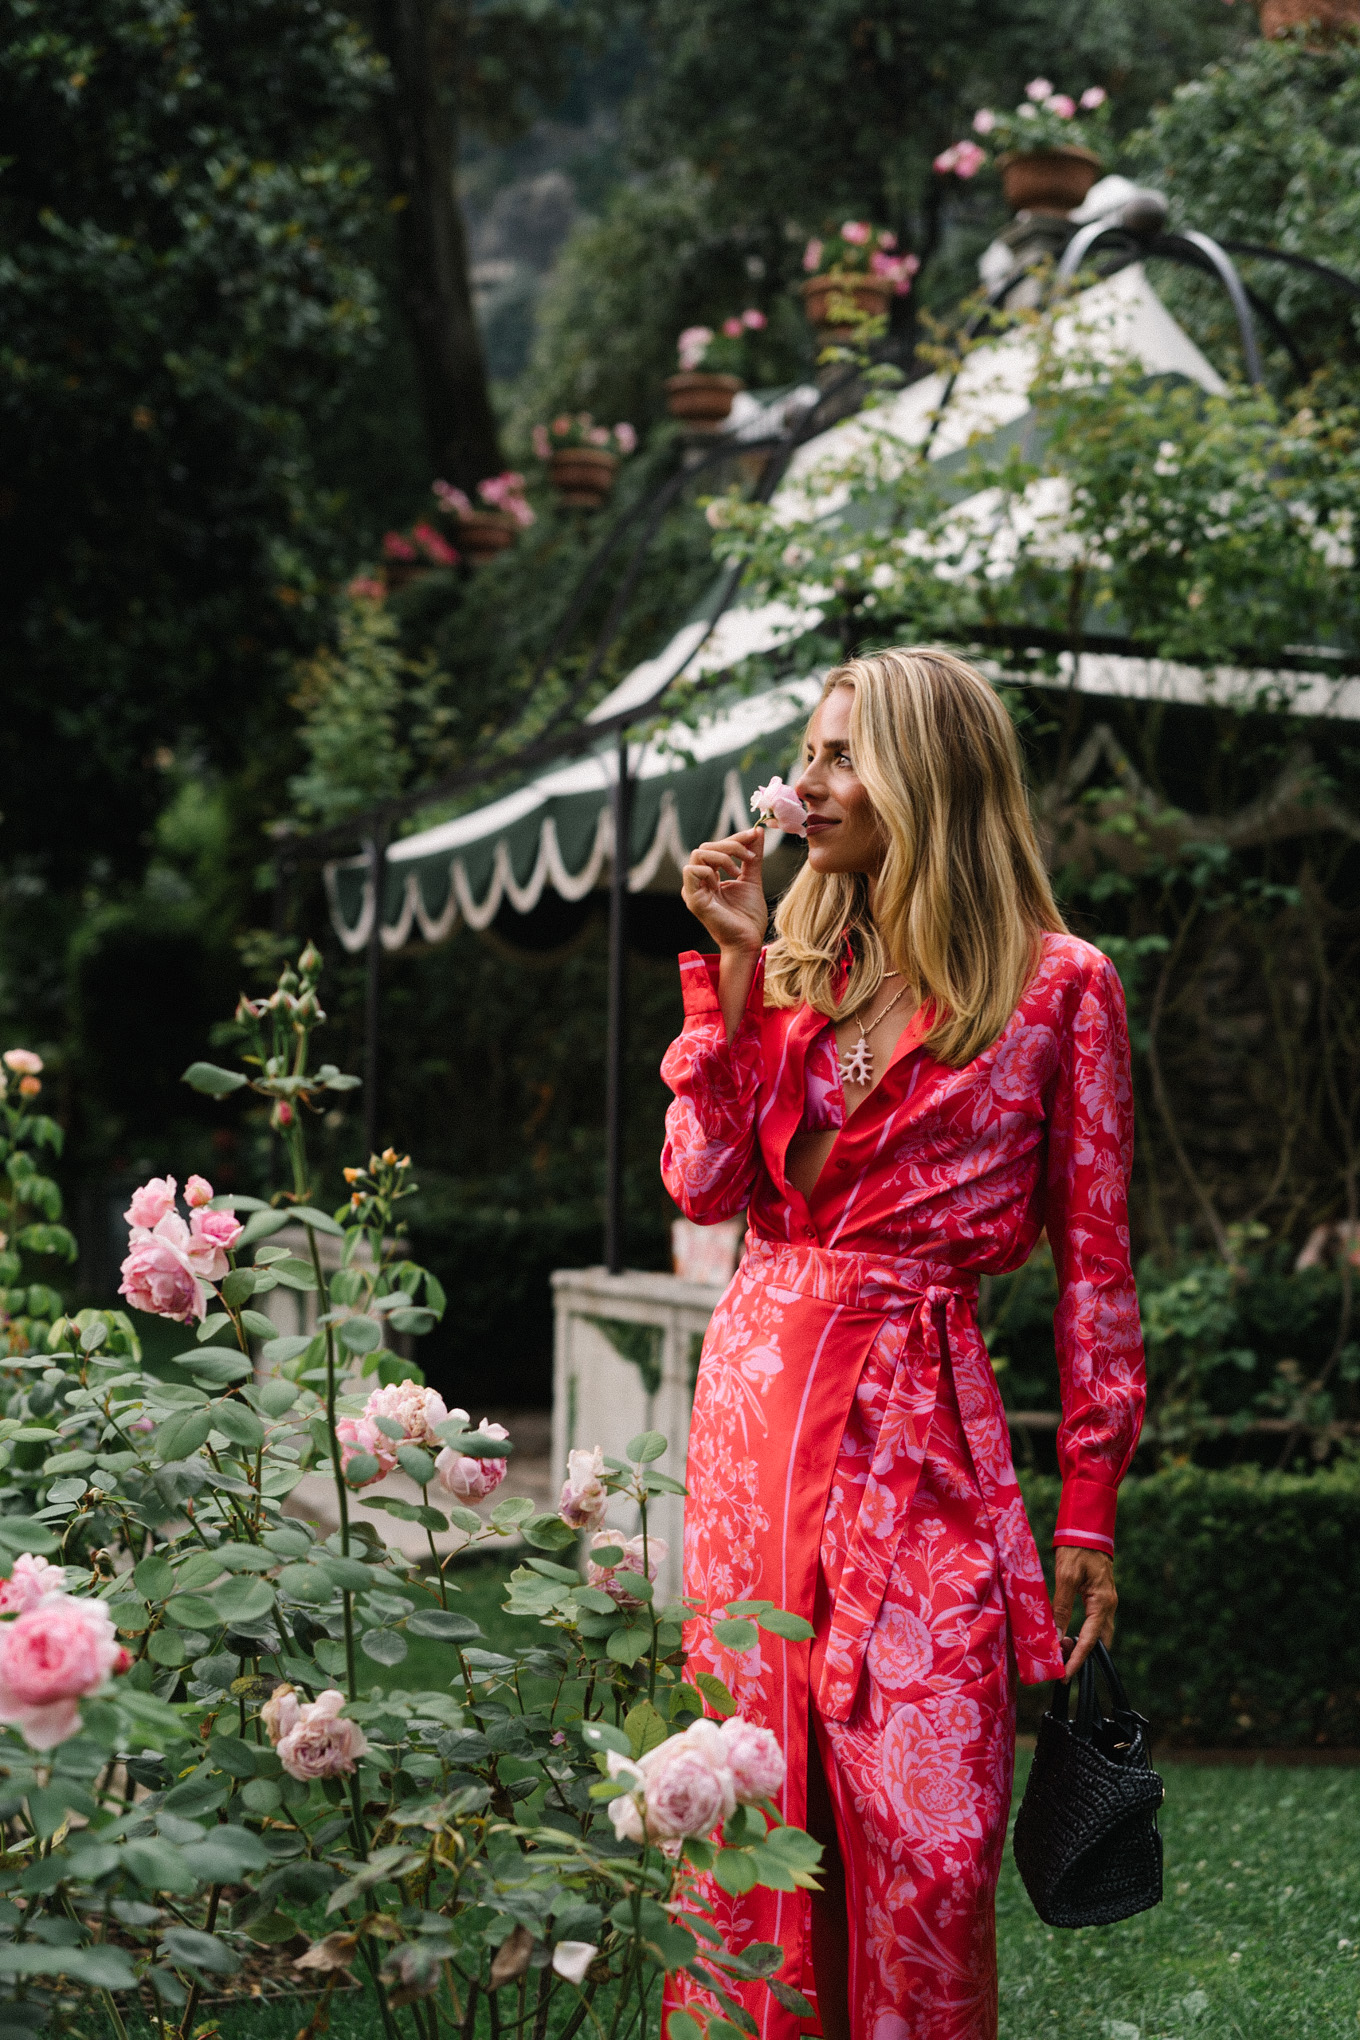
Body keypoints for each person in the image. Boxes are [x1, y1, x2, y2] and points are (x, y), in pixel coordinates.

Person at [660, 649, 1146, 2040]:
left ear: (930, 774)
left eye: (838, 756)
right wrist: (741, 972)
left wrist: (1091, 1506)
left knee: (929, 1847)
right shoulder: (800, 961)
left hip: (921, 1425)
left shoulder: (1063, 991)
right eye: (805, 755)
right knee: (756, 1810)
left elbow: (1097, 1276)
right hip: (757, 1416)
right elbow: (702, 1185)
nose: (805, 784)